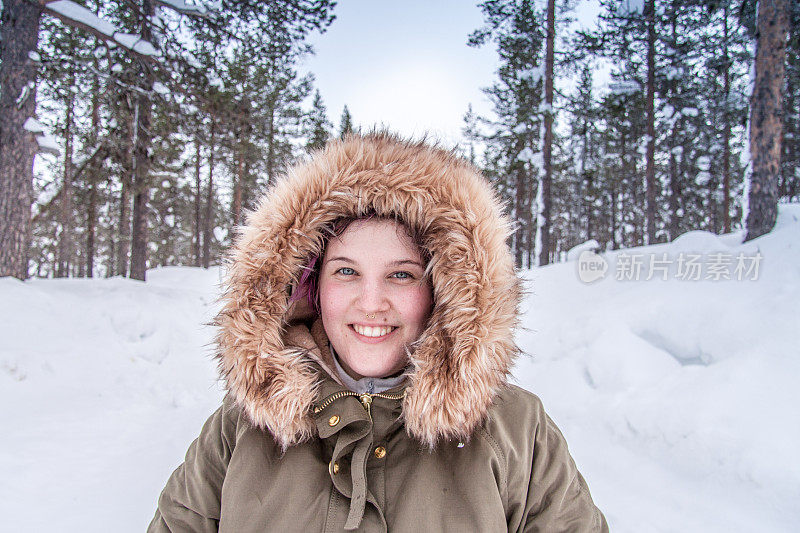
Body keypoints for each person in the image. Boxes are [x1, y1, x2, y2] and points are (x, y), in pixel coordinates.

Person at [149, 132, 608, 532]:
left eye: (402, 275)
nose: (371, 302)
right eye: (346, 271)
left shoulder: (517, 430)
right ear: (310, 286)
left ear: (445, 293)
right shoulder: (241, 428)